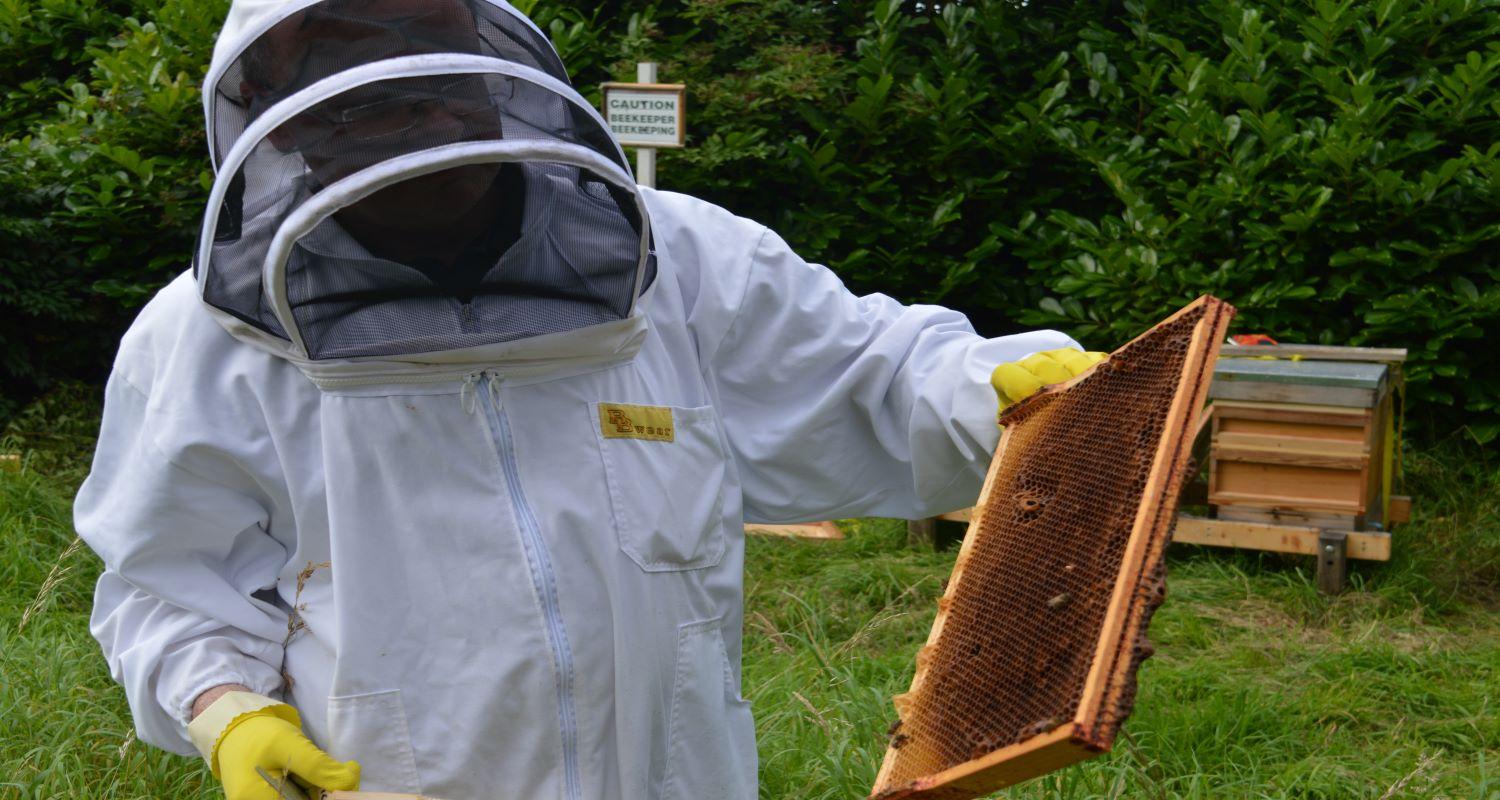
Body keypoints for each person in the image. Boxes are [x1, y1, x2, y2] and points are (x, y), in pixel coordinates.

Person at [73, 1, 1102, 798]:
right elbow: (169, 578)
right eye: (361, 91)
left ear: (491, 68)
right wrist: (223, 709)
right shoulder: (206, 339)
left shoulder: (682, 257)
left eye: (431, 69)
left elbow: (865, 369)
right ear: (289, 120)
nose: (417, 111)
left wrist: (988, 384)